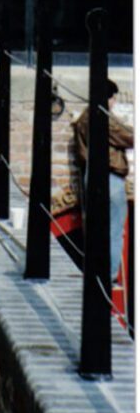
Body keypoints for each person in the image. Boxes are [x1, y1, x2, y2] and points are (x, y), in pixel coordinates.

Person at [74, 79, 134, 282]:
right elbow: (130, 137)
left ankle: (93, 273)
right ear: (106, 98)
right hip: (110, 177)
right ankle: (108, 277)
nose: (115, 102)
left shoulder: (83, 117)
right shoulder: (104, 118)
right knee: (115, 229)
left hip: (91, 175)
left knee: (95, 228)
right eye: (113, 98)